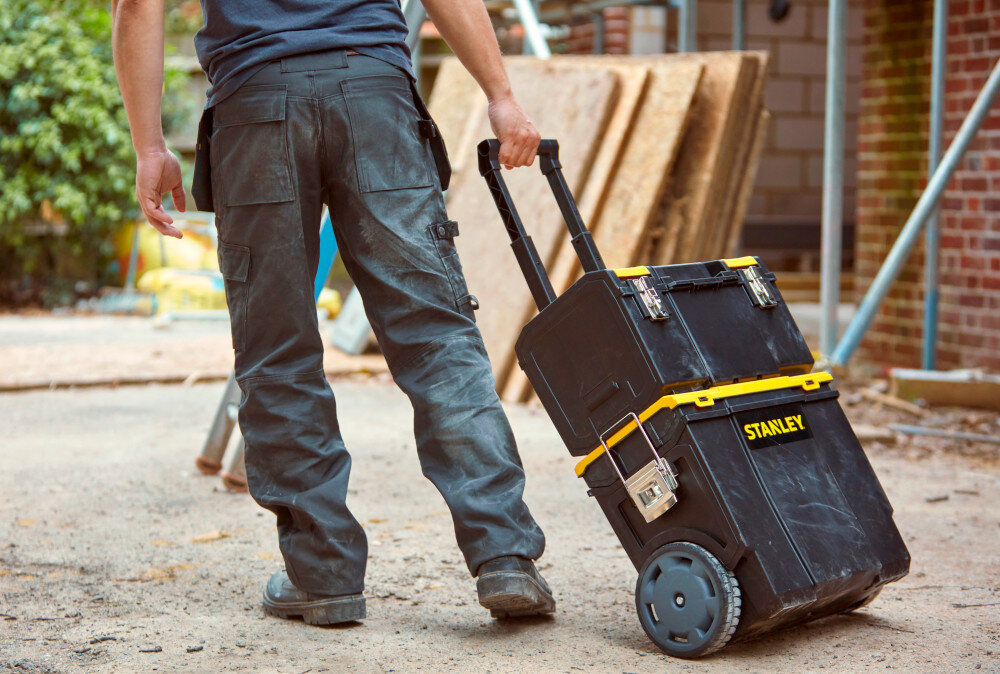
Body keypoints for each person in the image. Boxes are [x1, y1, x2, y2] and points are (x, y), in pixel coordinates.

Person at [111, 0, 553, 626]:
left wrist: (150, 144)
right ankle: (505, 554)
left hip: (255, 105)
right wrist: (501, 94)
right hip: (373, 97)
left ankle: (322, 574)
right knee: (437, 338)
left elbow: (138, 6)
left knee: (278, 350)